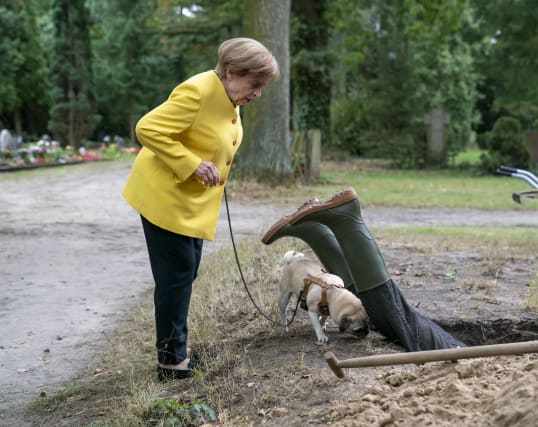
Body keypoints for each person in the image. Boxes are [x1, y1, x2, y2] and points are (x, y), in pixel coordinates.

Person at [123, 37, 279, 382]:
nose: (257, 93)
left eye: (262, 86)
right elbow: (146, 128)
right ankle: (171, 364)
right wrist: (192, 164)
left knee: (184, 273)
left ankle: (174, 351)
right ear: (230, 72)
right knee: (176, 278)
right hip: (165, 197)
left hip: (188, 202)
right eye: (255, 84)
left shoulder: (227, 94)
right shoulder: (198, 91)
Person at [262, 188, 466, 352]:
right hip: (459, 352)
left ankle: (315, 230)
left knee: (354, 299)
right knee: (395, 317)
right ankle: (347, 219)